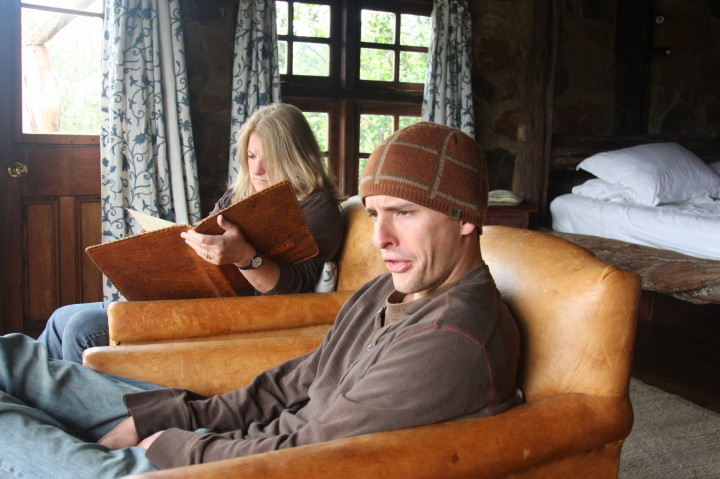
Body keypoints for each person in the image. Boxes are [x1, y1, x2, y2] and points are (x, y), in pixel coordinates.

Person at [0, 122, 520, 477]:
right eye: (375, 214)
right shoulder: (389, 290)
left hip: (231, 467)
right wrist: (165, 419)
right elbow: (289, 382)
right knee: (10, 359)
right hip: (235, 440)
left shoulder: (452, 339)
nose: (380, 239)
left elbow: (310, 455)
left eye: (403, 213)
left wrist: (174, 444)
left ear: (466, 218)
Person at [37, 103, 344, 363]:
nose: (257, 169)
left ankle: (78, 410)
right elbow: (201, 246)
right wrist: (162, 245)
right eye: (251, 156)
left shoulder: (317, 207)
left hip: (231, 314)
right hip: (191, 298)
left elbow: (292, 293)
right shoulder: (240, 196)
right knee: (60, 318)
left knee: (82, 329)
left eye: (269, 157)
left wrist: (246, 258)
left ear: (294, 156)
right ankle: (29, 400)